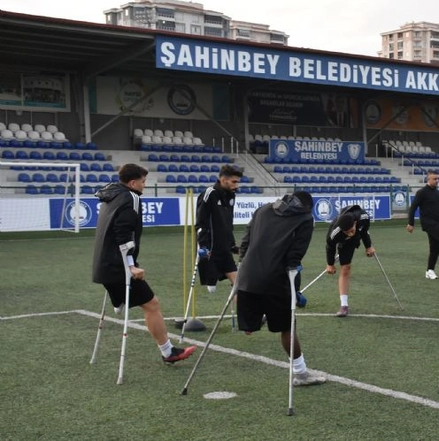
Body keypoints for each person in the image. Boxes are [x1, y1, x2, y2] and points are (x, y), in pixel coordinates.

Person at [92, 164, 196, 364]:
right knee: (152, 304)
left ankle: (118, 302)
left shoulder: (110, 195)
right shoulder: (131, 198)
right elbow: (123, 233)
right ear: (133, 183)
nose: (144, 185)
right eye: (143, 181)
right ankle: (168, 352)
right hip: (117, 266)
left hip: (104, 265)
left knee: (145, 302)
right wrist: (130, 265)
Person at [236, 191, 326, 386]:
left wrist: (242, 262)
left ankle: (253, 321)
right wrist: (295, 283)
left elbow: (246, 240)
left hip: (248, 277)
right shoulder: (305, 218)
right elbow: (295, 255)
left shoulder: (263, 210)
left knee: (250, 323)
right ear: (308, 207)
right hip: (275, 280)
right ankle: (301, 374)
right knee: (287, 327)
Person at [195, 164, 243, 292]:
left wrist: (232, 245)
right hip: (210, 250)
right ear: (223, 180)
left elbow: (228, 223)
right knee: (211, 289)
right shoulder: (209, 194)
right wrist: (203, 246)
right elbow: (201, 223)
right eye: (234, 182)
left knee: (239, 285)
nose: (237, 185)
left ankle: (242, 306)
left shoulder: (231, 195)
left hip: (225, 249)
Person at [325, 204, 375, 317]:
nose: (350, 233)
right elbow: (330, 247)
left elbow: (364, 231)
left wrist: (368, 246)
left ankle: (355, 234)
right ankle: (344, 306)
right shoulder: (335, 232)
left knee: (356, 235)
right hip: (345, 242)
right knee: (345, 268)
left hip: (359, 232)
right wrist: (330, 264)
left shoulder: (364, 218)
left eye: (351, 230)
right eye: (346, 232)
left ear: (355, 223)